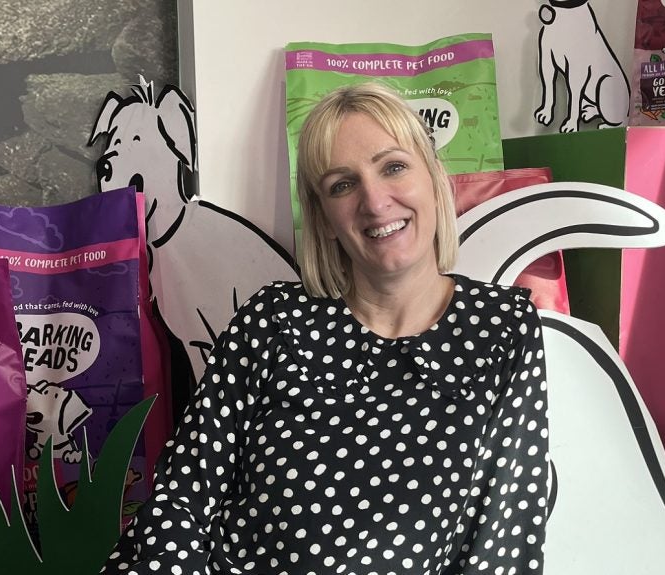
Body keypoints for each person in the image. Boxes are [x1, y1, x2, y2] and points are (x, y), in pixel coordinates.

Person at [102, 82, 549, 575]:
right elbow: (181, 499)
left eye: (393, 167)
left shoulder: (501, 327)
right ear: (324, 219)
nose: (375, 202)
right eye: (343, 185)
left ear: (434, 176)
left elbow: (504, 540)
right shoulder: (272, 321)